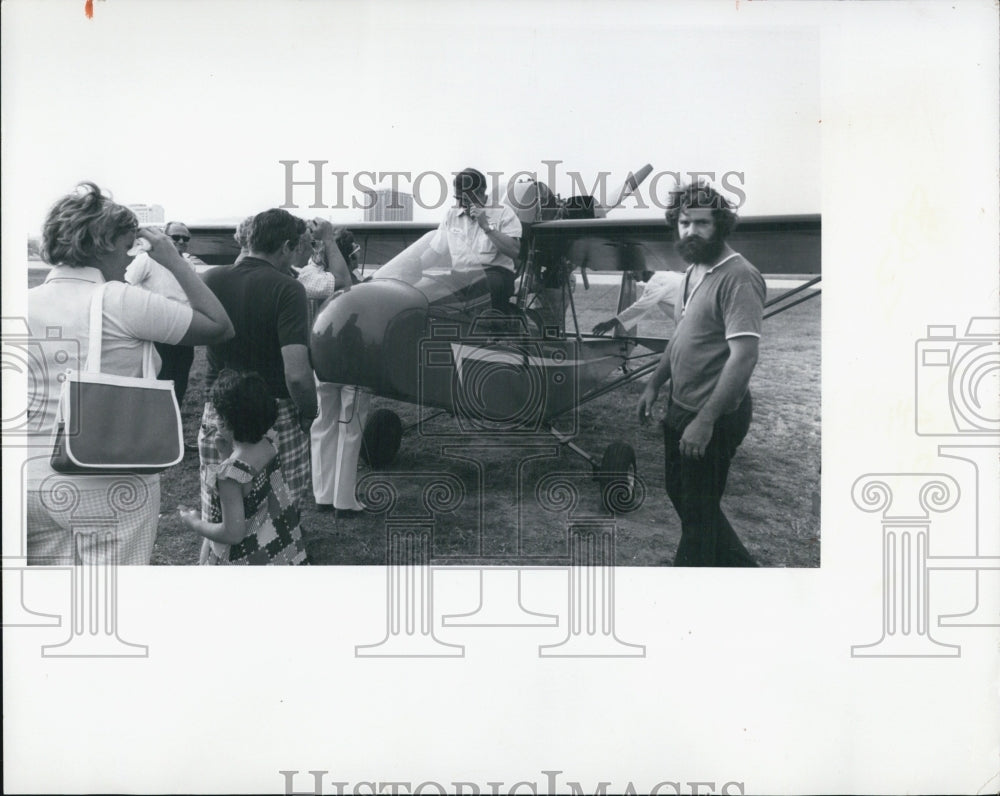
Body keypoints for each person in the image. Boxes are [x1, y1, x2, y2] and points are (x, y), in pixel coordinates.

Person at [25, 182, 234, 565]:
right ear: (102, 243)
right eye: (127, 246)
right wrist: (173, 260)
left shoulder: (23, 303)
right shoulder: (120, 301)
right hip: (107, 479)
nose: (130, 258)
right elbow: (219, 326)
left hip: (26, 481)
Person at [636, 181, 766, 567]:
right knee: (684, 498)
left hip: (715, 414)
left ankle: (690, 582)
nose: (690, 231)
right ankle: (743, 571)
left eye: (701, 224)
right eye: (683, 223)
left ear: (721, 225)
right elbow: (679, 337)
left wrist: (706, 421)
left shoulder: (739, 276)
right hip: (680, 405)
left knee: (698, 515)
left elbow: (744, 357)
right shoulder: (693, 272)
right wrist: (654, 383)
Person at [198, 208, 318, 520]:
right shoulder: (288, 288)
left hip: (219, 408)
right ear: (285, 247)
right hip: (272, 411)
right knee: (278, 503)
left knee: (221, 503)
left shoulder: (211, 278)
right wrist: (309, 412)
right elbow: (297, 373)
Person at [179, 370, 310, 565]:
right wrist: (225, 454)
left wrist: (195, 523)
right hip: (278, 548)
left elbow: (233, 533)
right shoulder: (269, 445)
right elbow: (252, 497)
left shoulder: (229, 477)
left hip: (248, 558)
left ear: (225, 421)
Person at [306, 222, 370, 517]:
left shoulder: (311, 277)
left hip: (321, 358)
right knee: (351, 426)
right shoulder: (353, 282)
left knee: (322, 423)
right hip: (353, 360)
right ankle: (344, 500)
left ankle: (322, 493)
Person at [125, 220, 206, 410]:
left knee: (180, 384)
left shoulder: (187, 264)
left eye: (185, 238)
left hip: (185, 332)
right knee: (159, 383)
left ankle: (174, 433)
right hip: (158, 333)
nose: (181, 241)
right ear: (165, 237)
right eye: (175, 237)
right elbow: (127, 285)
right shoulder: (147, 259)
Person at [428, 167, 523, 312]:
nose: (460, 204)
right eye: (457, 198)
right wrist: (412, 267)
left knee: (483, 287)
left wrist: (487, 227)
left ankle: (477, 329)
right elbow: (435, 251)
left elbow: (514, 250)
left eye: (465, 199)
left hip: (494, 274)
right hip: (460, 276)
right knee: (429, 291)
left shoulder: (503, 212)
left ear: (480, 193)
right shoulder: (451, 215)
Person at [591, 269, 684, 336]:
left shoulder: (656, 282)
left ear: (643, 269)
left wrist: (611, 323)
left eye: (633, 271)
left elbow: (641, 306)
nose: (631, 275)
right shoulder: (664, 274)